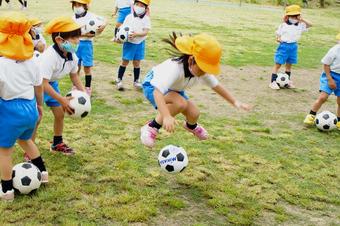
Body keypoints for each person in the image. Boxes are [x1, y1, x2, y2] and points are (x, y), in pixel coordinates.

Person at [140, 33, 251, 148]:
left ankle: (191, 126)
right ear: (191, 60)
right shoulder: (174, 69)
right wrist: (167, 116)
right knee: (179, 103)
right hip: (152, 87)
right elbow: (157, 92)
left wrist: (235, 102)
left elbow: (217, 86)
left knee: (194, 113)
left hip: (174, 89)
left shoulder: (201, 70)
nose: (205, 72)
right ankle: (151, 127)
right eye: (203, 68)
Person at [0, 12, 48, 201]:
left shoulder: (1, 63)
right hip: (30, 108)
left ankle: (6, 190)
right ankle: (43, 174)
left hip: (9, 110)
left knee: (4, 150)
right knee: (26, 140)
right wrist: (39, 106)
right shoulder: (33, 60)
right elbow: (39, 87)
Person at [36, 16, 86, 155]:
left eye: (78, 37)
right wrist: (61, 99)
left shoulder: (72, 55)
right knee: (36, 118)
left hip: (50, 83)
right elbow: (42, 83)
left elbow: (74, 75)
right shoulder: (49, 57)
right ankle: (30, 150)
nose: (78, 41)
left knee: (59, 114)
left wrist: (84, 93)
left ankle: (57, 143)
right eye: (74, 38)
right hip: (36, 86)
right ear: (59, 40)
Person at [269, 5, 312, 90]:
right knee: (278, 64)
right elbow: (278, 35)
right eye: (291, 16)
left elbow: (311, 24)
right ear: (287, 16)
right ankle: (273, 82)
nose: (293, 18)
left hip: (293, 46)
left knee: (289, 65)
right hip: (284, 46)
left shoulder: (301, 25)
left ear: (299, 16)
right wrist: (278, 39)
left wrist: (302, 19)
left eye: (295, 16)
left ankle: (287, 81)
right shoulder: (283, 25)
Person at [303, 33, 340, 129]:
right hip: (331, 74)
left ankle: (339, 121)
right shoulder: (334, 50)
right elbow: (326, 65)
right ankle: (311, 115)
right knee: (323, 97)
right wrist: (330, 79)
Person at [71, 0, 107, 96]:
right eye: (75, 4)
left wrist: (103, 25)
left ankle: (87, 88)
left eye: (79, 4)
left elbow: (104, 20)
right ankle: (75, 86)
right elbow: (71, 33)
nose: (77, 7)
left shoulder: (92, 16)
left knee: (87, 68)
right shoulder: (72, 18)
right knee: (76, 67)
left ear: (85, 6)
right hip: (75, 44)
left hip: (87, 45)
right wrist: (82, 34)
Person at [115, 0, 151, 91]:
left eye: (141, 5)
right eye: (136, 4)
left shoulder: (146, 19)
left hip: (140, 43)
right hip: (129, 43)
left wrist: (136, 34)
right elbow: (123, 29)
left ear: (146, 8)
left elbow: (146, 31)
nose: (138, 7)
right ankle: (119, 79)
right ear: (133, 5)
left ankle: (136, 81)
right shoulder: (129, 17)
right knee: (125, 61)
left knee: (137, 63)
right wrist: (119, 37)